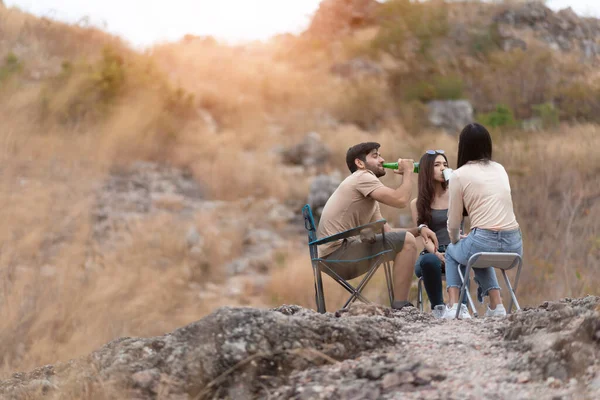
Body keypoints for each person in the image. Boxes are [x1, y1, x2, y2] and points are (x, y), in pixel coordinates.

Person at [316, 142, 439, 310]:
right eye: (375, 156)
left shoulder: (368, 197)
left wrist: (419, 230)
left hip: (334, 257)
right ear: (360, 163)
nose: (382, 160)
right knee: (407, 241)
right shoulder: (362, 176)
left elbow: (388, 232)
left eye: (380, 155)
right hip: (338, 255)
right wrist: (408, 171)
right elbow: (401, 200)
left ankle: (400, 305)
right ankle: (401, 307)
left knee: (406, 240)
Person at [444, 123, 523, 319]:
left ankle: (454, 306)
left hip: (482, 243)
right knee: (478, 249)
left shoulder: (458, 175)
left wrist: (455, 240)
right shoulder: (500, 168)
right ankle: (497, 305)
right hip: (515, 245)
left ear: (463, 147)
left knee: (453, 252)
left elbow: (453, 223)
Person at [409, 150, 464, 313]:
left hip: (456, 248)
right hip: (431, 251)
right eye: (437, 165)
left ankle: (461, 307)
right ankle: (438, 308)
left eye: (445, 165)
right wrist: (437, 253)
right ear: (426, 169)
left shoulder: (457, 195)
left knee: (461, 262)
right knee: (429, 261)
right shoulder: (417, 203)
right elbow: (424, 235)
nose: (442, 168)